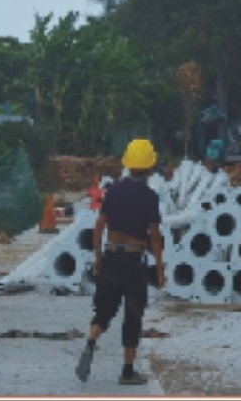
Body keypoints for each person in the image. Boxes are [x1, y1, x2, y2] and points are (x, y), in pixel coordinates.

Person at [75, 138, 165, 385]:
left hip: (112, 255)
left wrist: (98, 258)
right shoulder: (149, 197)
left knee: (104, 310)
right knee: (133, 314)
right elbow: (155, 237)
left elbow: (99, 226)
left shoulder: (112, 191)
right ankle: (127, 371)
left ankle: (92, 338)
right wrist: (159, 268)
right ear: (149, 168)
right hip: (134, 261)